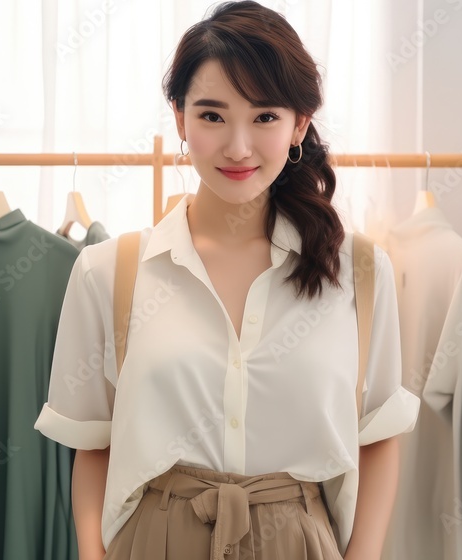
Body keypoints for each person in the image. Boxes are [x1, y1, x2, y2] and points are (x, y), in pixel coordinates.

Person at [35, 2, 420, 558]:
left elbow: (380, 434)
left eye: (264, 117)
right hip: (154, 539)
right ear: (180, 119)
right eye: (212, 115)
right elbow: (93, 445)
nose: (237, 147)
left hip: (300, 542)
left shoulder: (358, 272)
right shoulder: (107, 272)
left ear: (299, 125)